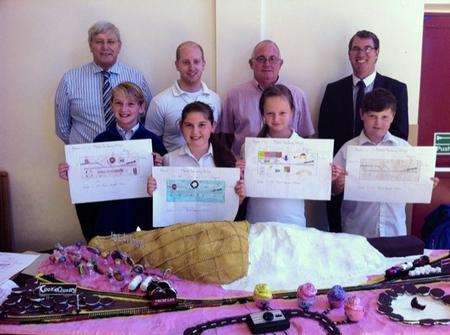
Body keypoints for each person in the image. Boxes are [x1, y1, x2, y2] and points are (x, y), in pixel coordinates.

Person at [55, 21, 152, 239]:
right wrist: (88, 152)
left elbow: (145, 120)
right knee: (94, 237)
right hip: (89, 175)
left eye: (111, 42)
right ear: (90, 45)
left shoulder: (136, 77)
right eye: (99, 42)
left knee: (132, 238)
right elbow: (62, 127)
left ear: (119, 45)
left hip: (130, 178)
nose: (105, 47)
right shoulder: (71, 79)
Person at [318, 30, 409, 233]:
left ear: (377, 53)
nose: (361, 54)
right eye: (356, 49)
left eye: (368, 48)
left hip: (384, 184)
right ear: (349, 54)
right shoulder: (333, 90)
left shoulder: (397, 88)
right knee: (345, 240)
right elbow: (325, 136)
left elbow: (401, 134)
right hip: (341, 177)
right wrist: (335, 176)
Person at [59, 82, 166, 241]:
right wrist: (73, 173)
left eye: (130, 104)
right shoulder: (100, 141)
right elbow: (90, 184)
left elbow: (164, 187)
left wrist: (161, 165)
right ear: (111, 106)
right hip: (110, 219)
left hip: (143, 218)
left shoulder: (153, 141)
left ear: (141, 108)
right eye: (118, 103)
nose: (124, 109)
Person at [332, 88, 437, 238]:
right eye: (372, 116)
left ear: (393, 116)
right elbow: (332, 189)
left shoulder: (404, 148)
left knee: (394, 262)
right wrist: (337, 183)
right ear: (362, 115)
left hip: (394, 229)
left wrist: (426, 184)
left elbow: (413, 187)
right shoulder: (347, 149)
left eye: (384, 117)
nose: (378, 123)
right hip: (358, 230)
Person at [217, 40, 315, 156]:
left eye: (272, 59)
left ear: (280, 64)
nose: (267, 64)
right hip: (245, 166)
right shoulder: (234, 96)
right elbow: (225, 139)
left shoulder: (297, 95)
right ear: (251, 63)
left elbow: (307, 138)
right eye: (261, 59)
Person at [147, 101, 245, 205]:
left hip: (216, 221)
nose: (195, 132)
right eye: (189, 125)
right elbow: (164, 202)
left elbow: (233, 204)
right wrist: (154, 192)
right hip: (182, 221)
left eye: (202, 125)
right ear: (181, 127)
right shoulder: (169, 160)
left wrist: (240, 196)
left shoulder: (228, 160)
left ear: (213, 126)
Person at [237, 85, 308, 225]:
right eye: (270, 113)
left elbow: (312, 184)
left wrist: (323, 174)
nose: (276, 119)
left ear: (292, 112)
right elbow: (242, 188)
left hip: (294, 224)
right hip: (258, 222)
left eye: (282, 113)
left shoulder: (305, 147)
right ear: (262, 114)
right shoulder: (250, 148)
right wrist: (238, 173)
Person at [145, 41, 220, 152]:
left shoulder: (215, 99)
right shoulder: (159, 102)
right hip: (171, 167)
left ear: (203, 64)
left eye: (196, 62)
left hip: (206, 167)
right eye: (186, 62)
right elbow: (152, 143)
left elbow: (215, 137)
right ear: (177, 65)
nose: (192, 67)